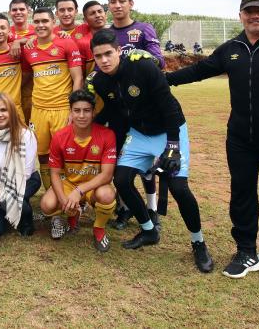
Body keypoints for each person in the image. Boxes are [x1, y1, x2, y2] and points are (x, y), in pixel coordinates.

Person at [167, 0, 259, 284]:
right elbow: (199, 70)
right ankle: (245, 251)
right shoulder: (232, 48)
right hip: (241, 138)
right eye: (249, 11)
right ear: (241, 15)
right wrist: (162, 79)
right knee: (242, 193)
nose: (255, 16)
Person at [90, 30, 213, 273]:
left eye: (108, 53)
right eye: (98, 56)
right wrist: (89, 125)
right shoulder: (101, 81)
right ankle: (148, 231)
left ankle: (198, 243)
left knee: (179, 187)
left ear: (119, 51)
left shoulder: (143, 67)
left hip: (169, 130)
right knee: (121, 179)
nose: (104, 60)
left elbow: (169, 106)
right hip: (139, 134)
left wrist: (173, 147)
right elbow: (115, 112)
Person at [106, 0, 165, 230]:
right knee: (120, 160)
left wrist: (143, 55)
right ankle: (124, 208)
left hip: (142, 109)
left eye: (122, 0)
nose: (117, 5)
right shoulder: (107, 33)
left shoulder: (143, 29)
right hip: (117, 109)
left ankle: (152, 211)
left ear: (131, 3)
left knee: (147, 165)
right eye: (113, 1)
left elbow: (159, 60)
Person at [40, 90, 117, 252]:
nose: (81, 115)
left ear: (93, 112)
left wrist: (79, 191)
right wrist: (64, 200)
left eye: (86, 110)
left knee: (107, 195)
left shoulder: (107, 135)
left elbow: (107, 175)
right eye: (77, 110)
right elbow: (54, 173)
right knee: (47, 205)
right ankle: (72, 215)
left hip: (93, 185)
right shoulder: (60, 137)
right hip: (69, 183)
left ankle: (99, 229)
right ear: (71, 112)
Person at [22, 7, 83, 190]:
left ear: (53, 23)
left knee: (66, 154)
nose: (40, 25)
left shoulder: (67, 43)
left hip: (62, 109)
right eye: (37, 21)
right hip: (38, 110)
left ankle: (71, 193)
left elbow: (78, 78)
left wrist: (74, 109)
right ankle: (51, 192)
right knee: (42, 155)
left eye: (45, 21)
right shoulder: (29, 49)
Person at [0, 93, 41, 237]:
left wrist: (1, 189)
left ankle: (26, 219)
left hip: (25, 180)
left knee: (4, 197)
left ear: (11, 111)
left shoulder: (26, 135)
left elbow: (25, 172)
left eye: (3, 110)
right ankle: (5, 211)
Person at [8, 0, 36, 123]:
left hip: (32, 86)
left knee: (31, 125)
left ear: (28, 11)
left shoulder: (38, 30)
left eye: (21, 9)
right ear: (9, 13)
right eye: (14, 10)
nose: (18, 12)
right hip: (10, 84)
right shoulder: (4, 31)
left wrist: (19, 41)